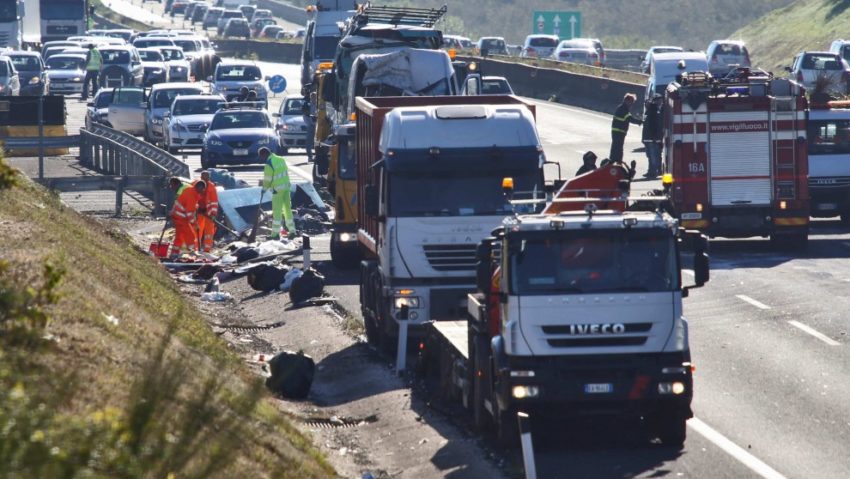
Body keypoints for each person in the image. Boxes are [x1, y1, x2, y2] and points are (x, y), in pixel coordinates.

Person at [260, 147, 295, 239]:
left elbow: (267, 179)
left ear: (264, 154)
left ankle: (275, 234)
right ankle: (292, 231)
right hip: (286, 187)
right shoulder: (280, 159)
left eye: (261, 156)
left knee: (277, 212)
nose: (262, 159)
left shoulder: (269, 163)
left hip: (277, 190)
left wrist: (264, 189)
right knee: (287, 210)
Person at [170, 179, 206, 256]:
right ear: (199, 188)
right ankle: (192, 252)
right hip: (181, 217)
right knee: (190, 234)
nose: (203, 190)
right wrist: (195, 224)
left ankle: (174, 253)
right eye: (202, 189)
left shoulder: (190, 190)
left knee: (179, 236)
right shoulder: (192, 196)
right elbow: (189, 213)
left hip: (177, 215)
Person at [610, 93, 642, 164]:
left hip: (618, 131)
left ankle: (614, 160)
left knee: (616, 146)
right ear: (627, 101)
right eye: (631, 102)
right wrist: (639, 122)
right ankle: (617, 161)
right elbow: (629, 119)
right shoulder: (623, 109)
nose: (632, 104)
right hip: (619, 131)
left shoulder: (622, 108)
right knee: (618, 147)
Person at [194, 171, 219, 253]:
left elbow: (214, 201)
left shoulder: (212, 187)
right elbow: (192, 198)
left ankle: (207, 249)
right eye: (204, 177)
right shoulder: (195, 185)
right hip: (198, 212)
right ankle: (196, 248)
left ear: (209, 178)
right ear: (201, 177)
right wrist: (197, 208)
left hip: (208, 212)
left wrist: (213, 214)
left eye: (207, 177)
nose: (205, 179)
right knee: (197, 230)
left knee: (209, 232)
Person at [641, 95, 664, 178]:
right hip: (650, 138)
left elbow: (653, 126)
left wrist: (653, 137)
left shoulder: (653, 112)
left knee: (653, 156)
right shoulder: (652, 111)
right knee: (652, 156)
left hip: (651, 139)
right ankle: (654, 170)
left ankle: (653, 171)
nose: (646, 104)